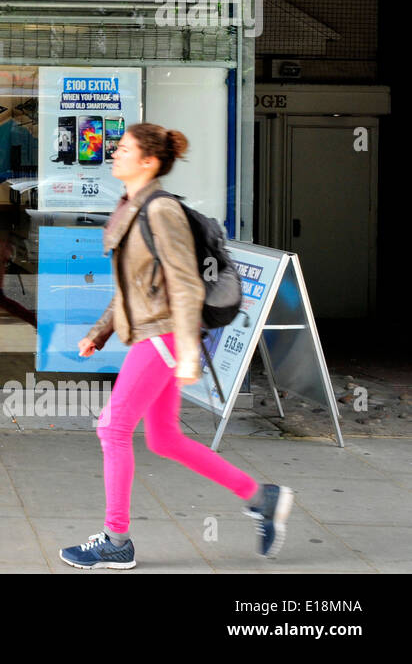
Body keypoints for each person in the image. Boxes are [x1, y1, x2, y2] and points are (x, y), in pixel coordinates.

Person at [59, 123, 292, 569]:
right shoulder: (131, 205)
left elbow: (184, 283)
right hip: (153, 334)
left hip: (164, 336)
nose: (114, 152)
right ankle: (263, 498)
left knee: (113, 429)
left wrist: (187, 350)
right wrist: (100, 330)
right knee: (164, 438)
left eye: (124, 148)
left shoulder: (161, 210)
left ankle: (116, 540)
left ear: (148, 161)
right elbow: (133, 285)